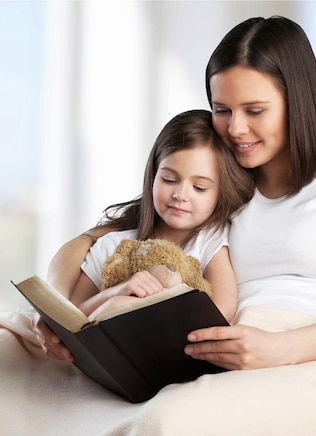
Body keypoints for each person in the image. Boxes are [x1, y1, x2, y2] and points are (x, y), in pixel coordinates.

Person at [31, 15, 316, 433]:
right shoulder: (219, 184)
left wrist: (276, 349)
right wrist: (62, 316)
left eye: (255, 110)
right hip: (217, 354)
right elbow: (92, 242)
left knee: (165, 423)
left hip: (310, 358)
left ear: (298, 101)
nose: (235, 128)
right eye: (222, 110)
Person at [71, 109, 254, 322]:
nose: (180, 195)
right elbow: (71, 314)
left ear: (221, 192)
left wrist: (147, 303)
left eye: (199, 187)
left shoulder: (211, 242)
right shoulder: (111, 245)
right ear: (153, 176)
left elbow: (220, 311)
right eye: (169, 180)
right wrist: (116, 292)